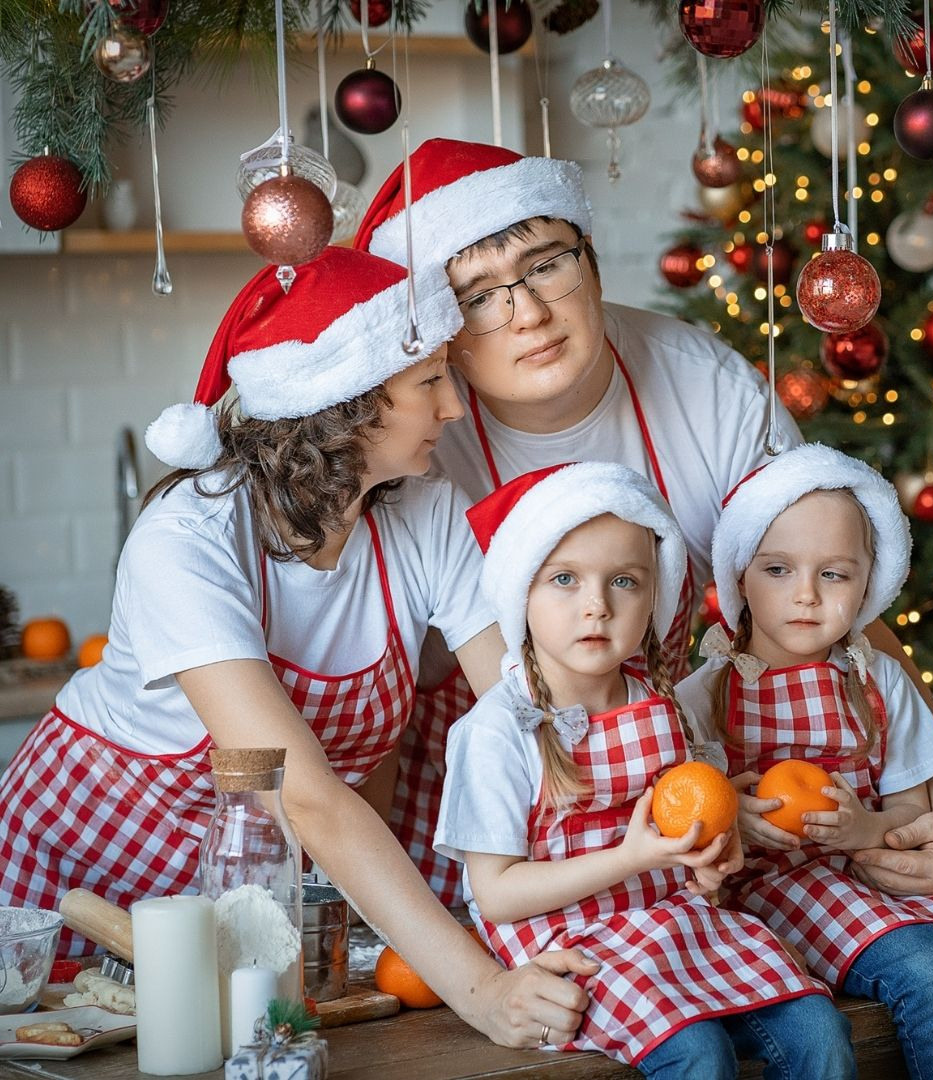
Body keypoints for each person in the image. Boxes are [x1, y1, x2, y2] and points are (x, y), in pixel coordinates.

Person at [354, 137, 933, 907]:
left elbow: (826, 593)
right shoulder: (419, 437)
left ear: (590, 257)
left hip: (683, 810)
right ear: (439, 327)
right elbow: (415, 695)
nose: (529, 315)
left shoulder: (704, 385)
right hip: (491, 823)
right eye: (478, 296)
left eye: (547, 263)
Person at [0, 247, 593, 1049]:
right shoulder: (190, 539)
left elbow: (521, 716)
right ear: (345, 404)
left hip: (254, 894)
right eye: (428, 383)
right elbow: (302, 794)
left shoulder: (426, 517)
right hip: (86, 873)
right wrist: (484, 991)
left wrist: (635, 830)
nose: (455, 406)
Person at [435, 461, 854, 1080]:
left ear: (655, 596)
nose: (596, 606)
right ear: (520, 591)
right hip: (570, 945)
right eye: (565, 580)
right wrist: (630, 859)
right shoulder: (497, 732)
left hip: (674, 926)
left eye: (624, 582)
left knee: (821, 1030)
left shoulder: (661, 705)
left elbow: (687, 826)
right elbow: (496, 895)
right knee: (698, 1055)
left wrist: (710, 857)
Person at [676, 442, 933, 1079]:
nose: (805, 596)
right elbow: (690, 817)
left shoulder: (875, 679)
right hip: (787, 887)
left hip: (888, 869)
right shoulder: (708, 693)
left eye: (834, 574)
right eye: (778, 569)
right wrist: (736, 818)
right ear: (739, 573)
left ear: (867, 583)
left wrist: (867, 829)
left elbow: (916, 801)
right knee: (930, 976)